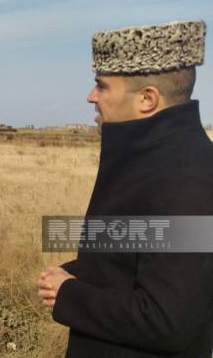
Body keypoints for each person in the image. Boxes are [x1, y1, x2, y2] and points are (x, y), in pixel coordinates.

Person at [37, 20, 213, 357]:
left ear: (147, 99)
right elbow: (146, 258)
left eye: (102, 87)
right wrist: (76, 272)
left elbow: (165, 320)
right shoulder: (154, 160)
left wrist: (70, 294)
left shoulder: (187, 178)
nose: (91, 97)